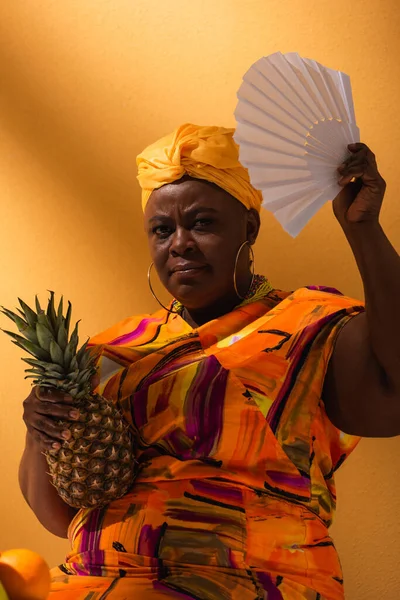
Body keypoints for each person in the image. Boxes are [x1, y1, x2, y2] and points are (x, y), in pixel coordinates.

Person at [19, 124, 399, 599]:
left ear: (250, 227)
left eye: (202, 223)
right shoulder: (110, 349)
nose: (179, 244)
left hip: (251, 581)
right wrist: (41, 431)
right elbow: (58, 515)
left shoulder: (309, 323)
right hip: (94, 579)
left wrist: (363, 230)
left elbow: (393, 388)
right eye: (162, 230)